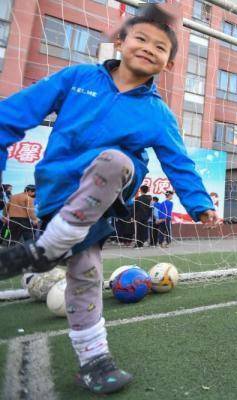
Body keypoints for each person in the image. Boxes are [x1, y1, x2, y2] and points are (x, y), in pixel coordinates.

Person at [0, 5, 217, 394]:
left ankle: (48, 259)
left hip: (108, 198)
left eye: (161, 47)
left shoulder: (157, 113)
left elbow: (179, 163)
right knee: (85, 274)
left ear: (167, 64)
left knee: (116, 160)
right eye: (141, 38)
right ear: (120, 41)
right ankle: (92, 359)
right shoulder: (77, 78)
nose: (149, 48)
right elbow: (12, 115)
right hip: (57, 200)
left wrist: (200, 204)